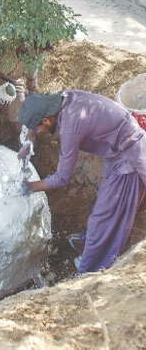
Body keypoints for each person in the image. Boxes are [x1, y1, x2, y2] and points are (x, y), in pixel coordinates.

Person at [17, 90, 146, 274]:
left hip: (128, 157)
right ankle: (91, 245)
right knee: (106, 207)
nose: (39, 132)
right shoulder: (62, 99)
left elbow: (62, 178)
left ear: (46, 120)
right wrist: (29, 140)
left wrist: (30, 187)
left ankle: (91, 269)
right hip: (117, 150)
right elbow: (37, 123)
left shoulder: (71, 127)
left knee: (103, 217)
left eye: (38, 128)